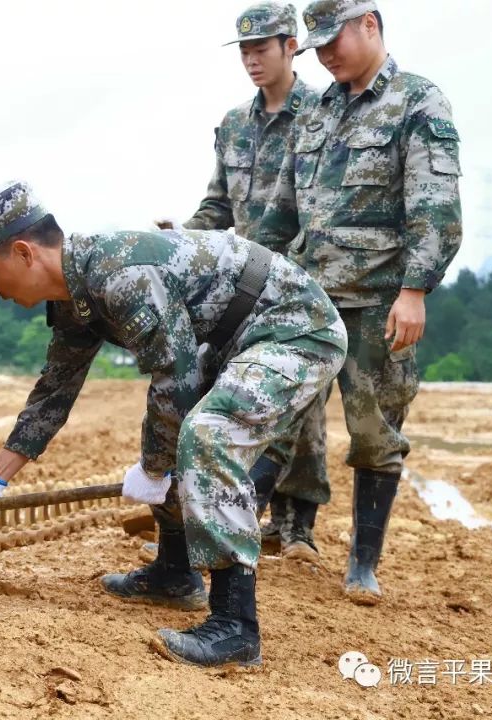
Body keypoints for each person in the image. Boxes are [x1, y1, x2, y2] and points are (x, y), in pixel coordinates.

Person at [0, 180, 347, 667]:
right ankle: (175, 575)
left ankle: (236, 629)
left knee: (206, 433)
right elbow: (54, 391)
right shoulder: (74, 295)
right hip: (233, 341)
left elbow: (175, 381)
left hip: (294, 329)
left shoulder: (122, 276)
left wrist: (155, 471)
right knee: (173, 430)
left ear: (24, 252)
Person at [287, 0, 462, 603]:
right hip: (309, 297)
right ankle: (282, 534)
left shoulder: (417, 100)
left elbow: (435, 206)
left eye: (335, 39)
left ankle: (362, 563)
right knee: (278, 414)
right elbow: (291, 208)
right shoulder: (317, 111)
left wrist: (415, 290)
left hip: (377, 301)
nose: (327, 54)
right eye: (318, 46)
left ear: (370, 24)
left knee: (373, 431)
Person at [160, 1, 330, 563]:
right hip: (237, 289)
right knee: (228, 394)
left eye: (263, 49)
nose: (252, 60)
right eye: (245, 51)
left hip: (299, 281)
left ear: (292, 46)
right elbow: (216, 208)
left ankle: (295, 525)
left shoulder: (324, 116)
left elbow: (327, 209)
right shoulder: (233, 124)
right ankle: (234, 509)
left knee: (300, 406)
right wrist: (179, 242)